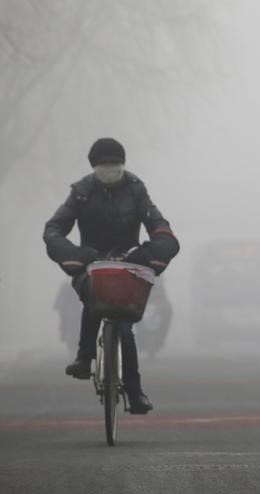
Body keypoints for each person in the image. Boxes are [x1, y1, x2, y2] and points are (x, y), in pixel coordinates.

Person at [43, 138, 180, 414]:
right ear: (94, 167)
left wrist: (145, 255)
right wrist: (76, 256)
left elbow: (161, 230)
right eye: (104, 165)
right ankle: (84, 357)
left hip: (127, 267)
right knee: (94, 296)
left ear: (123, 165)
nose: (110, 169)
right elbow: (54, 230)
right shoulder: (80, 193)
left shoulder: (136, 190)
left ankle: (135, 390)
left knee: (125, 329)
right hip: (89, 266)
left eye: (115, 164)